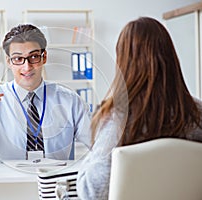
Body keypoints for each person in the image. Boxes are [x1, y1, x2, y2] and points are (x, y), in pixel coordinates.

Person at [77, 17, 202, 200]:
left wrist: (91, 155)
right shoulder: (196, 114)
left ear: (123, 63)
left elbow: (94, 191)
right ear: (171, 58)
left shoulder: (117, 118)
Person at [0, 24, 91, 162]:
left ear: (44, 57)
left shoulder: (70, 100)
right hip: (7, 182)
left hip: (55, 181)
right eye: (18, 59)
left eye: (34, 57)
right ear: (8, 61)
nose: (27, 67)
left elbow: (100, 145)